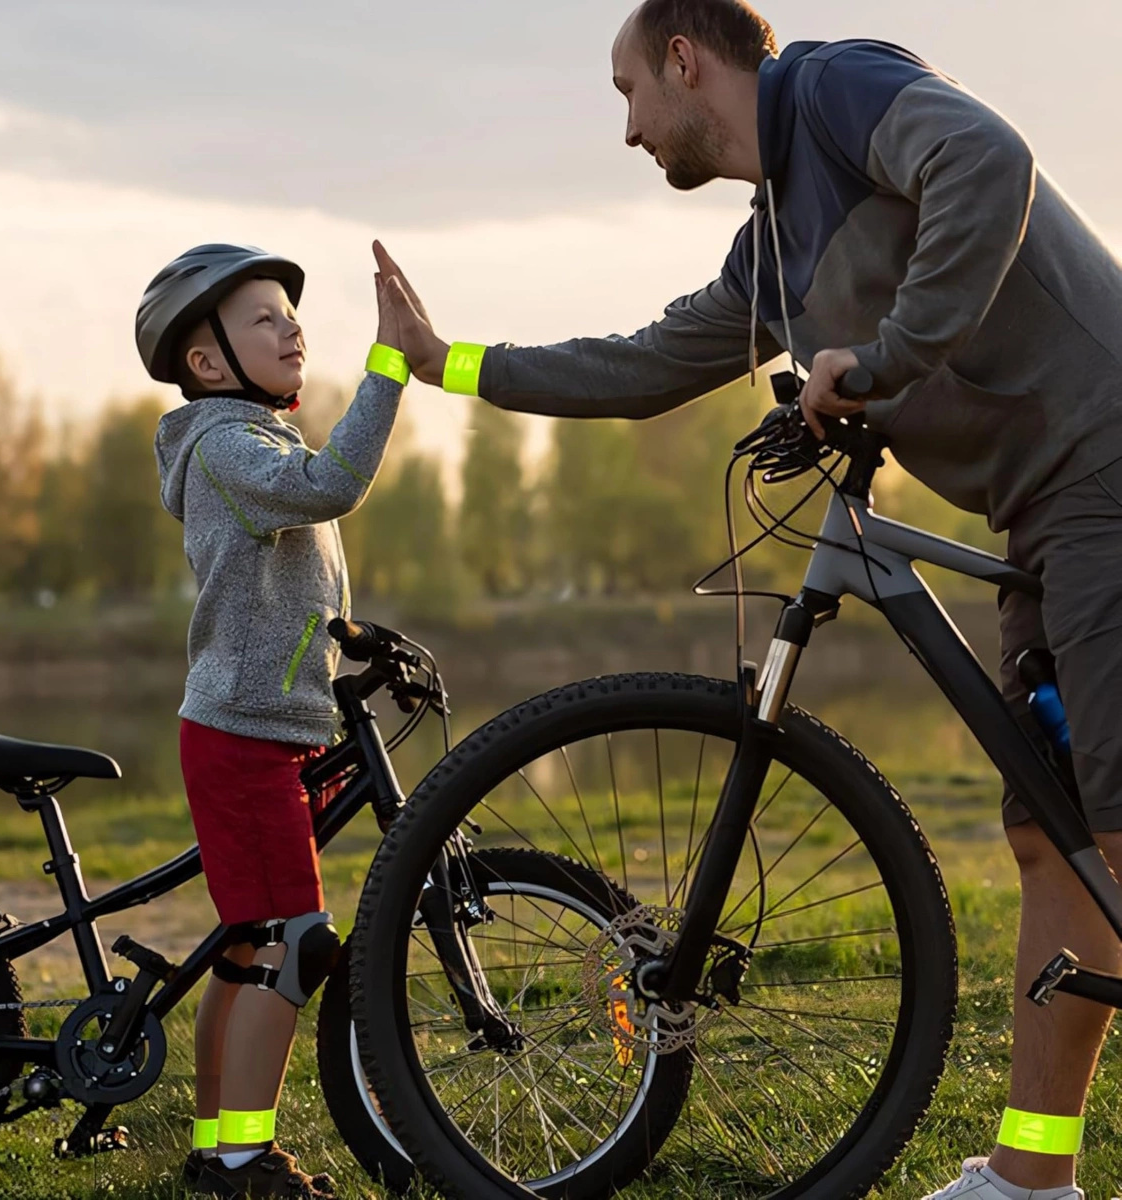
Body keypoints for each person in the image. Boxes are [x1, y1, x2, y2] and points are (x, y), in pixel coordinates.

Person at [373, 2, 1122, 1197]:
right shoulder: (766, 254)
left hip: (1106, 471)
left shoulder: (834, 90)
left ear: (685, 60)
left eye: (627, 92)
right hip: (1046, 515)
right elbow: (640, 366)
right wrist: (449, 362)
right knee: (1056, 842)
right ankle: (1033, 1178)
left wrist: (886, 360)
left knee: (1114, 834)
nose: (628, 130)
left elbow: (988, 162)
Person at [135, 241, 409, 1197]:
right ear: (206, 362)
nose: (291, 330)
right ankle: (245, 1161)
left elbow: (293, 588)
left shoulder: (257, 443)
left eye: (292, 315)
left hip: (274, 726)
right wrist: (389, 366)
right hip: (243, 733)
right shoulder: (226, 449)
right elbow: (332, 486)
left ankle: (218, 1147)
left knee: (249, 943)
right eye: (263, 318)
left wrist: (353, 643)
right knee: (295, 942)